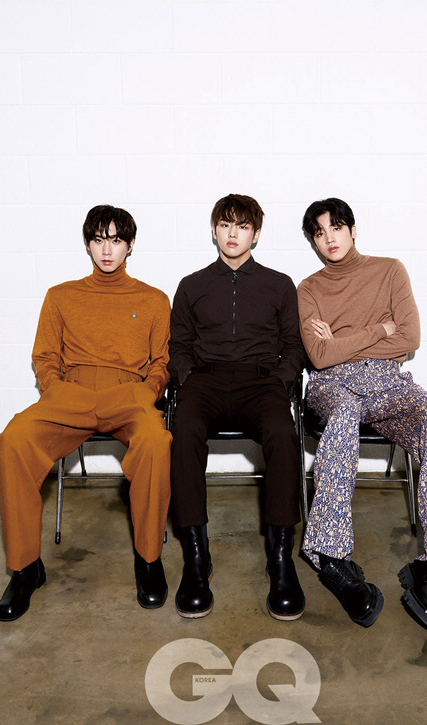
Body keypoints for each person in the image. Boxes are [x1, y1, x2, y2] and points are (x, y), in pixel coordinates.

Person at [0, 205, 171, 621]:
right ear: (88, 244)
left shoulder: (153, 299)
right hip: (70, 393)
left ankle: (149, 559)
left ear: (130, 246)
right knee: (12, 442)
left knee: (156, 443)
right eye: (99, 240)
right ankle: (25, 568)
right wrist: (54, 389)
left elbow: (161, 361)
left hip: (127, 393)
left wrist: (146, 392)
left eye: (116, 240)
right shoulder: (60, 296)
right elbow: (44, 356)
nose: (107, 250)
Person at [298, 197, 427, 630]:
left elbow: (409, 338)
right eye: (319, 232)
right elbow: (319, 357)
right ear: (314, 242)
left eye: (336, 227)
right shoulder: (309, 289)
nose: (329, 238)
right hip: (333, 385)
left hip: (387, 383)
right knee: (343, 415)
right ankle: (332, 558)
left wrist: (343, 341)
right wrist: (378, 330)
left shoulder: (390, 270)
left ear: (353, 230)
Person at [168, 193, 306, 620]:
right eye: (226, 225)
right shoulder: (192, 285)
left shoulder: (279, 284)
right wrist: (187, 377)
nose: (233, 233)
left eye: (242, 226)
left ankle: (280, 559)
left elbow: (293, 345)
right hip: (205, 381)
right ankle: (196, 557)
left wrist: (280, 380)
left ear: (256, 235)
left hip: (260, 382)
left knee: (283, 434)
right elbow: (178, 345)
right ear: (214, 231)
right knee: (184, 431)